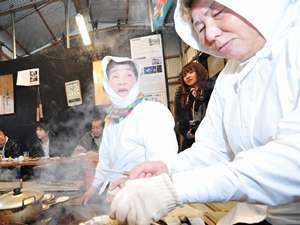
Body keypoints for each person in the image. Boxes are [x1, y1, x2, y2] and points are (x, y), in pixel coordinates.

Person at [108, 1, 300, 225]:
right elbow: (213, 149)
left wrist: (174, 189)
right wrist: (167, 169)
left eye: (217, 13)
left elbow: (292, 160)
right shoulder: (230, 75)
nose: (209, 33)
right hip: (263, 213)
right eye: (199, 27)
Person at [80, 56, 178, 205]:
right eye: (115, 76)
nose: (122, 81)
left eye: (128, 75)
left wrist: (131, 185)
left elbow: (162, 165)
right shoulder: (112, 119)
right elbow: (105, 161)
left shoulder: (152, 112)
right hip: (115, 195)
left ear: (137, 80)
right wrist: (93, 188)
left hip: (145, 197)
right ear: (107, 83)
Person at [174, 61, 213, 151]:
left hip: (209, 137)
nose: (187, 76)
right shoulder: (181, 94)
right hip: (189, 140)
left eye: (191, 72)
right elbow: (179, 117)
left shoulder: (210, 88)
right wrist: (186, 133)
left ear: (199, 72)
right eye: (184, 75)